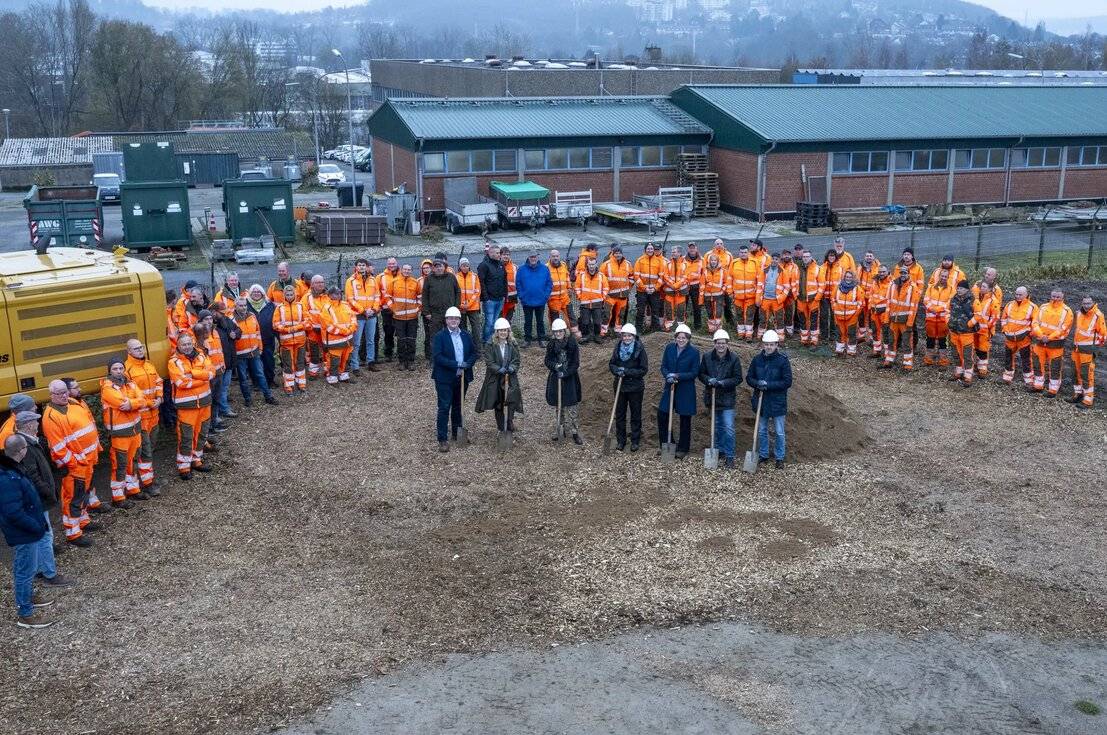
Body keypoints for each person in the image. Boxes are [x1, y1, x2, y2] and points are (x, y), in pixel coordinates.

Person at [2, 434, 57, 628]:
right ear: (21, 451)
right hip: (25, 533)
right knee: (25, 570)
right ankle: (25, 614)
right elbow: (12, 512)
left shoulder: (12, 469)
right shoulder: (7, 476)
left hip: (27, 531)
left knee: (25, 567)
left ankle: (27, 596)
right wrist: (35, 526)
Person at [12, 412, 72, 590]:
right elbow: (32, 473)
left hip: (33, 498)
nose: (39, 425)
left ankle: (39, 569)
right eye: (36, 422)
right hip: (37, 499)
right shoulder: (27, 446)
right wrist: (48, 491)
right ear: (29, 425)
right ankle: (50, 574)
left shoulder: (26, 443)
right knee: (45, 536)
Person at [41, 379, 100, 545]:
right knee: (72, 498)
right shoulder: (51, 417)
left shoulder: (73, 403)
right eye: (59, 393)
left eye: (65, 391)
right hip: (76, 465)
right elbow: (58, 448)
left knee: (83, 494)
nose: (64, 395)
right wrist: (75, 463)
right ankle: (73, 533)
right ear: (51, 395)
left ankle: (83, 521)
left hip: (87, 460)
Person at [100, 357, 151, 508]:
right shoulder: (107, 388)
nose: (118, 371)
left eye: (121, 368)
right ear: (110, 371)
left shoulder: (130, 383)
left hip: (134, 430)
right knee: (120, 465)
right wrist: (134, 402)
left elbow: (143, 399)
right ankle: (118, 497)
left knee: (132, 462)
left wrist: (132, 403)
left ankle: (133, 489)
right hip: (119, 434)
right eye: (115, 369)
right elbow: (122, 404)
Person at [167, 333, 216, 480]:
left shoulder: (202, 356)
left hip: (205, 403)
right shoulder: (174, 362)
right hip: (187, 407)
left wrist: (193, 374)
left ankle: (196, 460)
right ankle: (184, 466)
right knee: (186, 437)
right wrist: (202, 378)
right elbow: (181, 383)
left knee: (201, 434)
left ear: (193, 343)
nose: (187, 346)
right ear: (178, 346)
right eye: (184, 344)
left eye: (189, 343)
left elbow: (212, 373)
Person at [431, 307, 478, 452]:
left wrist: (467, 364)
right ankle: (442, 438)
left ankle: (457, 433)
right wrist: (457, 364)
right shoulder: (440, 336)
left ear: (459, 320)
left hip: (462, 377)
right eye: (451, 318)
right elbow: (438, 357)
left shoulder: (465, 335)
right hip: (444, 378)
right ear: (446, 320)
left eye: (456, 319)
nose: (454, 321)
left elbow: (473, 353)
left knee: (459, 406)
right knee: (445, 406)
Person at [123, 339, 165, 495]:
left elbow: (159, 381)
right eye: (136, 348)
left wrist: (159, 398)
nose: (140, 350)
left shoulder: (149, 364)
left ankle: (144, 478)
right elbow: (129, 394)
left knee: (150, 448)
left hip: (154, 415)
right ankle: (147, 484)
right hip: (140, 417)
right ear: (129, 351)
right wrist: (149, 403)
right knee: (145, 450)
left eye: (141, 347)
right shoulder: (127, 370)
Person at [697, 329, 743, 469]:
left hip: (727, 398)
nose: (721, 345)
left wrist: (723, 383)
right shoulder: (707, 357)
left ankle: (729, 456)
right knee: (716, 427)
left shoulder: (734, 358)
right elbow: (701, 374)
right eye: (718, 343)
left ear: (727, 344)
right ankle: (718, 451)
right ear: (714, 343)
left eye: (723, 343)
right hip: (713, 397)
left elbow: (738, 378)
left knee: (728, 427)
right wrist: (708, 380)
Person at [746, 330, 792, 468]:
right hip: (761, 400)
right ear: (763, 345)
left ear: (777, 345)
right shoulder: (757, 360)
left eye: (771, 345)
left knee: (779, 431)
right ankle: (764, 455)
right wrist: (757, 383)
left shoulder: (783, 361)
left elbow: (787, 382)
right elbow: (749, 378)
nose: (769, 347)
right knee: (761, 430)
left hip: (777, 401)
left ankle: (779, 457)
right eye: (766, 344)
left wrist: (768, 385)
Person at [657, 323, 700, 460]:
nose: (681, 340)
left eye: (684, 338)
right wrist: (668, 375)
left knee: (684, 419)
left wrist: (678, 376)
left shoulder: (694, 352)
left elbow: (694, 373)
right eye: (679, 337)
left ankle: (683, 448)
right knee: (662, 415)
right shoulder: (669, 348)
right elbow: (663, 366)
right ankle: (666, 444)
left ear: (688, 339)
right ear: (675, 337)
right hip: (670, 387)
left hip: (685, 389)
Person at [475, 318, 523, 437]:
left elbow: (516, 359)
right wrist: (498, 369)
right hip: (495, 379)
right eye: (500, 330)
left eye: (505, 330)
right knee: (499, 402)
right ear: (497, 332)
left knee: (511, 400)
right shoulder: (490, 344)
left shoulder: (512, 344)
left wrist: (512, 367)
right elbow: (489, 361)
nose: (503, 333)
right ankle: (501, 426)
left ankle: (509, 420)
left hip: (510, 378)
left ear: (508, 331)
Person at [607, 323, 648, 451]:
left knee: (635, 414)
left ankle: (635, 441)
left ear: (634, 336)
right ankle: (621, 440)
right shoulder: (618, 347)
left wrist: (626, 371)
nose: (626, 338)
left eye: (629, 336)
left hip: (635, 387)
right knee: (620, 414)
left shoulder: (639, 349)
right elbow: (612, 363)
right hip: (620, 386)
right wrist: (616, 371)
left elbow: (643, 370)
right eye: (624, 336)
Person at [544, 318, 583, 445]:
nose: (558, 334)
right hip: (556, 377)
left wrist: (565, 373)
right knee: (558, 405)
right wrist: (555, 367)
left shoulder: (572, 343)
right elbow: (547, 360)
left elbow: (575, 363)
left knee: (572, 405)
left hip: (569, 377)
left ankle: (575, 432)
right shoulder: (551, 344)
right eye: (556, 332)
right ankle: (560, 430)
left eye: (560, 331)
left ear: (564, 331)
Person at [233, 298, 278, 405]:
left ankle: (268, 396)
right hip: (240, 354)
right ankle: (247, 399)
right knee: (243, 378)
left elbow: (258, 333)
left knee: (260, 374)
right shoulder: (232, 320)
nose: (243, 307)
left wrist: (260, 347)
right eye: (240, 305)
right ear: (235, 306)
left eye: (244, 305)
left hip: (254, 352)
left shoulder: (252, 316)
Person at [1030, 289, 1074, 397]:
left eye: (1058, 297)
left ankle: (1053, 390)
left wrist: (1049, 337)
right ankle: (1038, 385)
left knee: (1055, 366)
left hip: (1055, 344)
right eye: (1053, 296)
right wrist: (1041, 335)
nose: (1055, 298)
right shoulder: (1043, 307)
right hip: (1040, 341)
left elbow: (1064, 328)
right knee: (1037, 363)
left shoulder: (1067, 311)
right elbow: (1035, 322)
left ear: (1063, 297)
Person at [422, 255, 462, 359]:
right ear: (433, 268)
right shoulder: (429, 279)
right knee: (435, 337)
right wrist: (426, 312)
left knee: (451, 335)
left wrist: (456, 308)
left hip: (450, 313)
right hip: (435, 313)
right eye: (436, 266)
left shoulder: (451, 277)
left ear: (445, 267)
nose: (439, 268)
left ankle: (452, 356)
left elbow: (458, 292)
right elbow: (425, 295)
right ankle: (435, 359)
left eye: (441, 266)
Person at [345, 257, 381, 374]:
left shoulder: (373, 280)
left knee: (371, 340)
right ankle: (355, 366)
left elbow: (377, 296)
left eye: (363, 265)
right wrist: (362, 310)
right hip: (358, 316)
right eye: (359, 265)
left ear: (366, 267)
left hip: (371, 315)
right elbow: (350, 299)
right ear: (356, 267)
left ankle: (371, 362)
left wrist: (374, 309)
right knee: (356, 342)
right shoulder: (350, 281)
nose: (361, 267)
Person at [881, 266, 920, 371]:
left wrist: (910, 322)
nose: (903, 275)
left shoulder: (913, 287)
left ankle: (907, 364)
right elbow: (888, 302)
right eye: (901, 273)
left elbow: (914, 307)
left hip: (905, 320)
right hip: (893, 319)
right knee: (891, 340)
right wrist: (886, 319)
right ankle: (889, 360)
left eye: (905, 273)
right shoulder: (892, 285)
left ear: (908, 274)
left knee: (907, 342)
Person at [1071, 295, 1106, 407]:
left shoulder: (1098, 315)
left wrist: (1094, 347)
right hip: (1076, 348)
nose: (1086, 306)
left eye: (1088, 303)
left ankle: (1088, 399)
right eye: (1084, 303)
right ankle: (1078, 394)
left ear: (1093, 303)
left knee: (1087, 374)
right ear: (1082, 303)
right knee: (1075, 372)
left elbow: (1103, 334)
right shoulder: (1079, 313)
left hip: (1088, 349)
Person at [273, 285, 309, 394]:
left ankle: (301, 383)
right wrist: (287, 330)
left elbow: (307, 321)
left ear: (295, 294)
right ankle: (289, 385)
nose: (289, 296)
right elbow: (275, 324)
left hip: (300, 341)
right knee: (288, 364)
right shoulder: (279, 308)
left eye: (291, 294)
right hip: (286, 342)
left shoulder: (300, 306)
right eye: (287, 294)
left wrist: (296, 328)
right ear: (284, 295)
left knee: (300, 363)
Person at [319, 287, 358, 384]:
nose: (339, 295)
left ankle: (344, 375)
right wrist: (346, 331)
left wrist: (352, 328)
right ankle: (332, 377)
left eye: (340, 293)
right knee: (334, 360)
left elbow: (353, 318)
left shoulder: (345, 305)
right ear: (330, 295)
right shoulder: (326, 308)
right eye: (337, 294)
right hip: (334, 341)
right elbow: (329, 327)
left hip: (348, 339)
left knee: (346, 358)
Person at [999, 286, 1036, 387]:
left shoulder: (1032, 307)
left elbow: (1035, 323)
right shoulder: (1009, 305)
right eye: (1016, 294)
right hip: (1010, 337)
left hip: (1024, 338)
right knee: (1008, 357)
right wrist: (1005, 330)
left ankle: (1029, 380)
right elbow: (1003, 319)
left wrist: (1030, 334)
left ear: (1026, 294)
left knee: (1026, 359)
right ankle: (1007, 377)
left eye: (1020, 294)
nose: (1018, 296)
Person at [515, 249, 553, 348]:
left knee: (540, 321)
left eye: (535, 256)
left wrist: (545, 296)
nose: (533, 258)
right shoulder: (521, 269)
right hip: (527, 301)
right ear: (528, 257)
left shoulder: (544, 269)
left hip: (540, 300)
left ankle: (541, 339)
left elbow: (549, 283)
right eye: (531, 257)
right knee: (528, 321)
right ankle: (527, 339)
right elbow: (518, 283)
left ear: (538, 257)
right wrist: (522, 296)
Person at [245, 284, 279, 389]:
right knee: (254, 362)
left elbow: (275, 319)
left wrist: (278, 336)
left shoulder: (270, 305)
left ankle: (270, 380)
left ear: (262, 293)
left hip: (268, 337)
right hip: (252, 340)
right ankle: (256, 382)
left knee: (269, 360)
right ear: (250, 294)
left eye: (258, 292)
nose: (256, 293)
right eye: (254, 292)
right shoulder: (245, 305)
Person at [391, 263, 423, 371]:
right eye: (405, 269)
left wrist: (417, 309)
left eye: (409, 270)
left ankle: (411, 361)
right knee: (401, 340)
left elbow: (420, 298)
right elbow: (387, 296)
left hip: (412, 317)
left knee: (411, 340)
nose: (407, 271)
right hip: (398, 317)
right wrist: (393, 308)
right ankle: (401, 361)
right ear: (401, 270)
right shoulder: (394, 282)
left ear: (411, 271)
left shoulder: (415, 282)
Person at [947, 280, 978, 387]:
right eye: (958, 288)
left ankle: (968, 376)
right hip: (954, 331)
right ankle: (959, 372)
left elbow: (978, 315)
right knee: (956, 353)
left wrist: (969, 324)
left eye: (962, 288)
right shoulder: (953, 299)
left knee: (967, 355)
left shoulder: (973, 300)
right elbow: (947, 311)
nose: (959, 290)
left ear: (967, 289)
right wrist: (948, 321)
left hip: (967, 333)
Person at [300, 275, 332, 379]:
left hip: (326, 331)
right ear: (312, 284)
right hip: (313, 331)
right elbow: (303, 313)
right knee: (314, 353)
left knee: (327, 352)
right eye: (318, 282)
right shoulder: (307, 297)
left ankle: (328, 371)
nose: (320, 284)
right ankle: (313, 373)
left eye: (322, 282)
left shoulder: (328, 296)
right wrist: (310, 327)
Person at [922, 267, 955, 366]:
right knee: (930, 339)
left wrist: (938, 309)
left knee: (942, 341)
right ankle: (928, 360)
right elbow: (926, 300)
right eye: (942, 276)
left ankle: (943, 361)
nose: (943, 278)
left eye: (946, 276)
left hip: (943, 319)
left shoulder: (951, 289)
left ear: (948, 277)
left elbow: (950, 303)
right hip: (930, 318)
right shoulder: (931, 287)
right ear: (939, 276)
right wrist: (933, 309)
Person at [756, 252, 791, 339]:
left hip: (777, 300)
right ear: (771, 259)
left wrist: (781, 298)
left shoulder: (783, 271)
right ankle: (760, 336)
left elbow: (787, 288)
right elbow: (759, 285)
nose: (774, 261)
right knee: (763, 319)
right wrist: (758, 299)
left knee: (779, 320)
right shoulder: (764, 270)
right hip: (765, 299)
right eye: (773, 259)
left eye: (776, 259)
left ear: (779, 260)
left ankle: (780, 338)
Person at [728, 244, 760, 341]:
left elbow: (759, 280)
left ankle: (749, 334)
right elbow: (729, 278)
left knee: (749, 316)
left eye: (745, 252)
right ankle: (741, 333)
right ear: (739, 253)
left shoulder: (755, 263)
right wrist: (730, 292)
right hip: (737, 296)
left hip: (751, 296)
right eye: (741, 252)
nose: (743, 254)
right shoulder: (734, 263)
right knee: (739, 315)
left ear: (748, 253)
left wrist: (758, 295)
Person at [477, 245, 507, 343]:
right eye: (497, 253)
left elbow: (504, 280)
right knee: (489, 322)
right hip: (489, 299)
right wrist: (486, 298)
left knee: (495, 322)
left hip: (499, 298)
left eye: (499, 253)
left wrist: (504, 296)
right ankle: (486, 341)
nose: (499, 255)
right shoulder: (484, 265)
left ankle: (493, 340)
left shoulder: (501, 265)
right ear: (490, 253)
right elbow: (481, 282)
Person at [600, 245, 632, 338]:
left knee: (620, 314)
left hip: (623, 296)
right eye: (616, 253)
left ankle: (618, 331)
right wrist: (605, 292)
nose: (618, 255)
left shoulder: (628, 264)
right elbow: (601, 278)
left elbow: (632, 277)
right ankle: (604, 332)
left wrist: (628, 288)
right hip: (610, 296)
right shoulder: (606, 264)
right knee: (606, 314)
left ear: (622, 253)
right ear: (613, 254)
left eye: (619, 253)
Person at [830, 269, 863, 357]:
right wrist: (834, 308)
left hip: (852, 316)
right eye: (847, 277)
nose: (848, 278)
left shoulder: (857, 288)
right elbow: (832, 299)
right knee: (840, 332)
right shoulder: (837, 287)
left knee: (851, 333)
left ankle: (851, 350)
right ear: (844, 277)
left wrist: (856, 313)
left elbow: (860, 302)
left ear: (853, 278)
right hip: (838, 315)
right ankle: (839, 349)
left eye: (850, 277)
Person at [633, 242, 665, 332]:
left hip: (655, 291)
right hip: (642, 291)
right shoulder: (639, 260)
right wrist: (645, 288)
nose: (650, 250)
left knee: (655, 311)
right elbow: (636, 276)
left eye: (651, 249)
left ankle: (656, 330)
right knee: (640, 311)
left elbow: (661, 277)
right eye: (648, 248)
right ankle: (638, 330)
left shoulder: (659, 261)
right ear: (645, 250)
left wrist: (655, 288)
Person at [575, 257, 608, 344]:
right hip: (585, 303)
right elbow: (577, 287)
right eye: (590, 264)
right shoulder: (581, 276)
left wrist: (602, 298)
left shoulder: (601, 276)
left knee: (597, 322)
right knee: (585, 322)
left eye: (593, 264)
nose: (591, 266)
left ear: (596, 264)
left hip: (597, 303)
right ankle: (586, 336)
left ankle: (597, 336)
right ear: (587, 265)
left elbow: (606, 288)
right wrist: (580, 297)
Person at [794, 249, 822, 347]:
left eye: (807, 257)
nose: (805, 258)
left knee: (814, 320)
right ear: (802, 258)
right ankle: (804, 339)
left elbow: (822, 285)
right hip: (801, 299)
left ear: (811, 257)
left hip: (813, 299)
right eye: (804, 257)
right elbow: (794, 282)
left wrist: (817, 298)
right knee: (803, 320)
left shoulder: (817, 268)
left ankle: (814, 340)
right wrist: (795, 295)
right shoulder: (797, 268)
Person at [971, 281, 999, 378]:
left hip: (985, 330)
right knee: (975, 347)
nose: (981, 288)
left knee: (983, 349)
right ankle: (976, 365)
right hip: (975, 328)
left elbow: (995, 317)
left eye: (984, 287)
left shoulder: (993, 301)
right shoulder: (977, 298)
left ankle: (983, 369)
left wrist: (987, 327)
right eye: (981, 286)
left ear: (990, 289)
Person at [377, 257, 402, 360]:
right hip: (386, 309)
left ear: (397, 263)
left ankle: (401, 353)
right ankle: (388, 353)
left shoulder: (402, 275)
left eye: (393, 263)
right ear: (387, 264)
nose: (391, 265)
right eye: (390, 263)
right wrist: (379, 305)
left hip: (400, 309)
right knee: (388, 332)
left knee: (401, 332)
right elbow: (376, 293)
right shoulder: (380, 277)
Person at [546, 249, 575, 336]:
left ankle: (574, 334)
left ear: (559, 256)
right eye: (553, 256)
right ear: (550, 257)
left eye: (557, 256)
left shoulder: (563, 265)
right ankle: (556, 336)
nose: (555, 258)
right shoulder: (546, 267)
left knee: (571, 317)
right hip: (553, 299)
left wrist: (569, 287)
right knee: (554, 319)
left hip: (565, 297)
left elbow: (567, 277)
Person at [456, 257, 482, 346]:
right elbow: (455, 293)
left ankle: (478, 350)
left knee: (476, 329)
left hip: (473, 307)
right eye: (463, 265)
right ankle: (465, 348)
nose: (465, 267)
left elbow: (477, 291)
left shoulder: (475, 276)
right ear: (460, 266)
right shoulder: (455, 277)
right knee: (463, 329)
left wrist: (469, 304)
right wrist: (461, 305)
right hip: (461, 308)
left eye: (467, 265)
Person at [865, 265, 890, 358]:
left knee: (886, 333)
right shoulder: (875, 282)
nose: (881, 273)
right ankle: (877, 350)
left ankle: (888, 353)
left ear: (888, 272)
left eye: (883, 271)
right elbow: (871, 295)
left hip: (885, 313)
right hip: (874, 312)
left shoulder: (891, 283)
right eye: (880, 272)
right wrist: (870, 306)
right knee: (875, 332)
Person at [660, 244, 686, 331]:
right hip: (669, 291)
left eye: (674, 252)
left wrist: (677, 285)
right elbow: (665, 276)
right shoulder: (668, 264)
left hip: (681, 292)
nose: (672, 253)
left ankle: (681, 328)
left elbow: (686, 277)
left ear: (679, 253)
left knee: (681, 310)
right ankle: (668, 326)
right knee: (668, 309)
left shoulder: (685, 264)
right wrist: (672, 284)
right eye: (672, 252)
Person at [701, 253, 728, 335]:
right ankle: (711, 329)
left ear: (717, 261)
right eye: (712, 260)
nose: (713, 262)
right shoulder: (705, 271)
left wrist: (723, 290)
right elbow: (702, 284)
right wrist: (701, 297)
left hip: (718, 295)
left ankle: (719, 329)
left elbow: (726, 282)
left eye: (715, 260)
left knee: (718, 313)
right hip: (707, 296)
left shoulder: (723, 271)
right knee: (710, 313)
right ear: (709, 261)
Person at [683, 242, 704, 330]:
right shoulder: (683, 259)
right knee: (683, 307)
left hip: (696, 287)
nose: (692, 249)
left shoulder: (702, 260)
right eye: (690, 248)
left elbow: (704, 274)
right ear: (688, 249)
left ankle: (698, 327)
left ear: (696, 248)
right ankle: (682, 326)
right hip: (685, 286)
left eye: (693, 247)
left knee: (697, 307)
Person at [778, 248, 799, 338]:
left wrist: (794, 293)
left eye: (788, 254)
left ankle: (789, 332)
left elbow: (797, 280)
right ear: (782, 256)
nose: (786, 256)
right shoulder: (778, 265)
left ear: (790, 256)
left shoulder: (794, 266)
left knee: (789, 314)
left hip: (790, 295)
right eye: (785, 254)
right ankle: (780, 332)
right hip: (779, 294)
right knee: (779, 313)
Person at [500, 247, 519, 322]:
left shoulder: (515, 267)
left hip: (511, 298)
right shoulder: (497, 266)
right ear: (500, 255)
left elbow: (518, 282)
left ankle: (508, 333)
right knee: (500, 320)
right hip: (501, 298)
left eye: (508, 254)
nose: (506, 256)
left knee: (508, 320)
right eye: (504, 254)